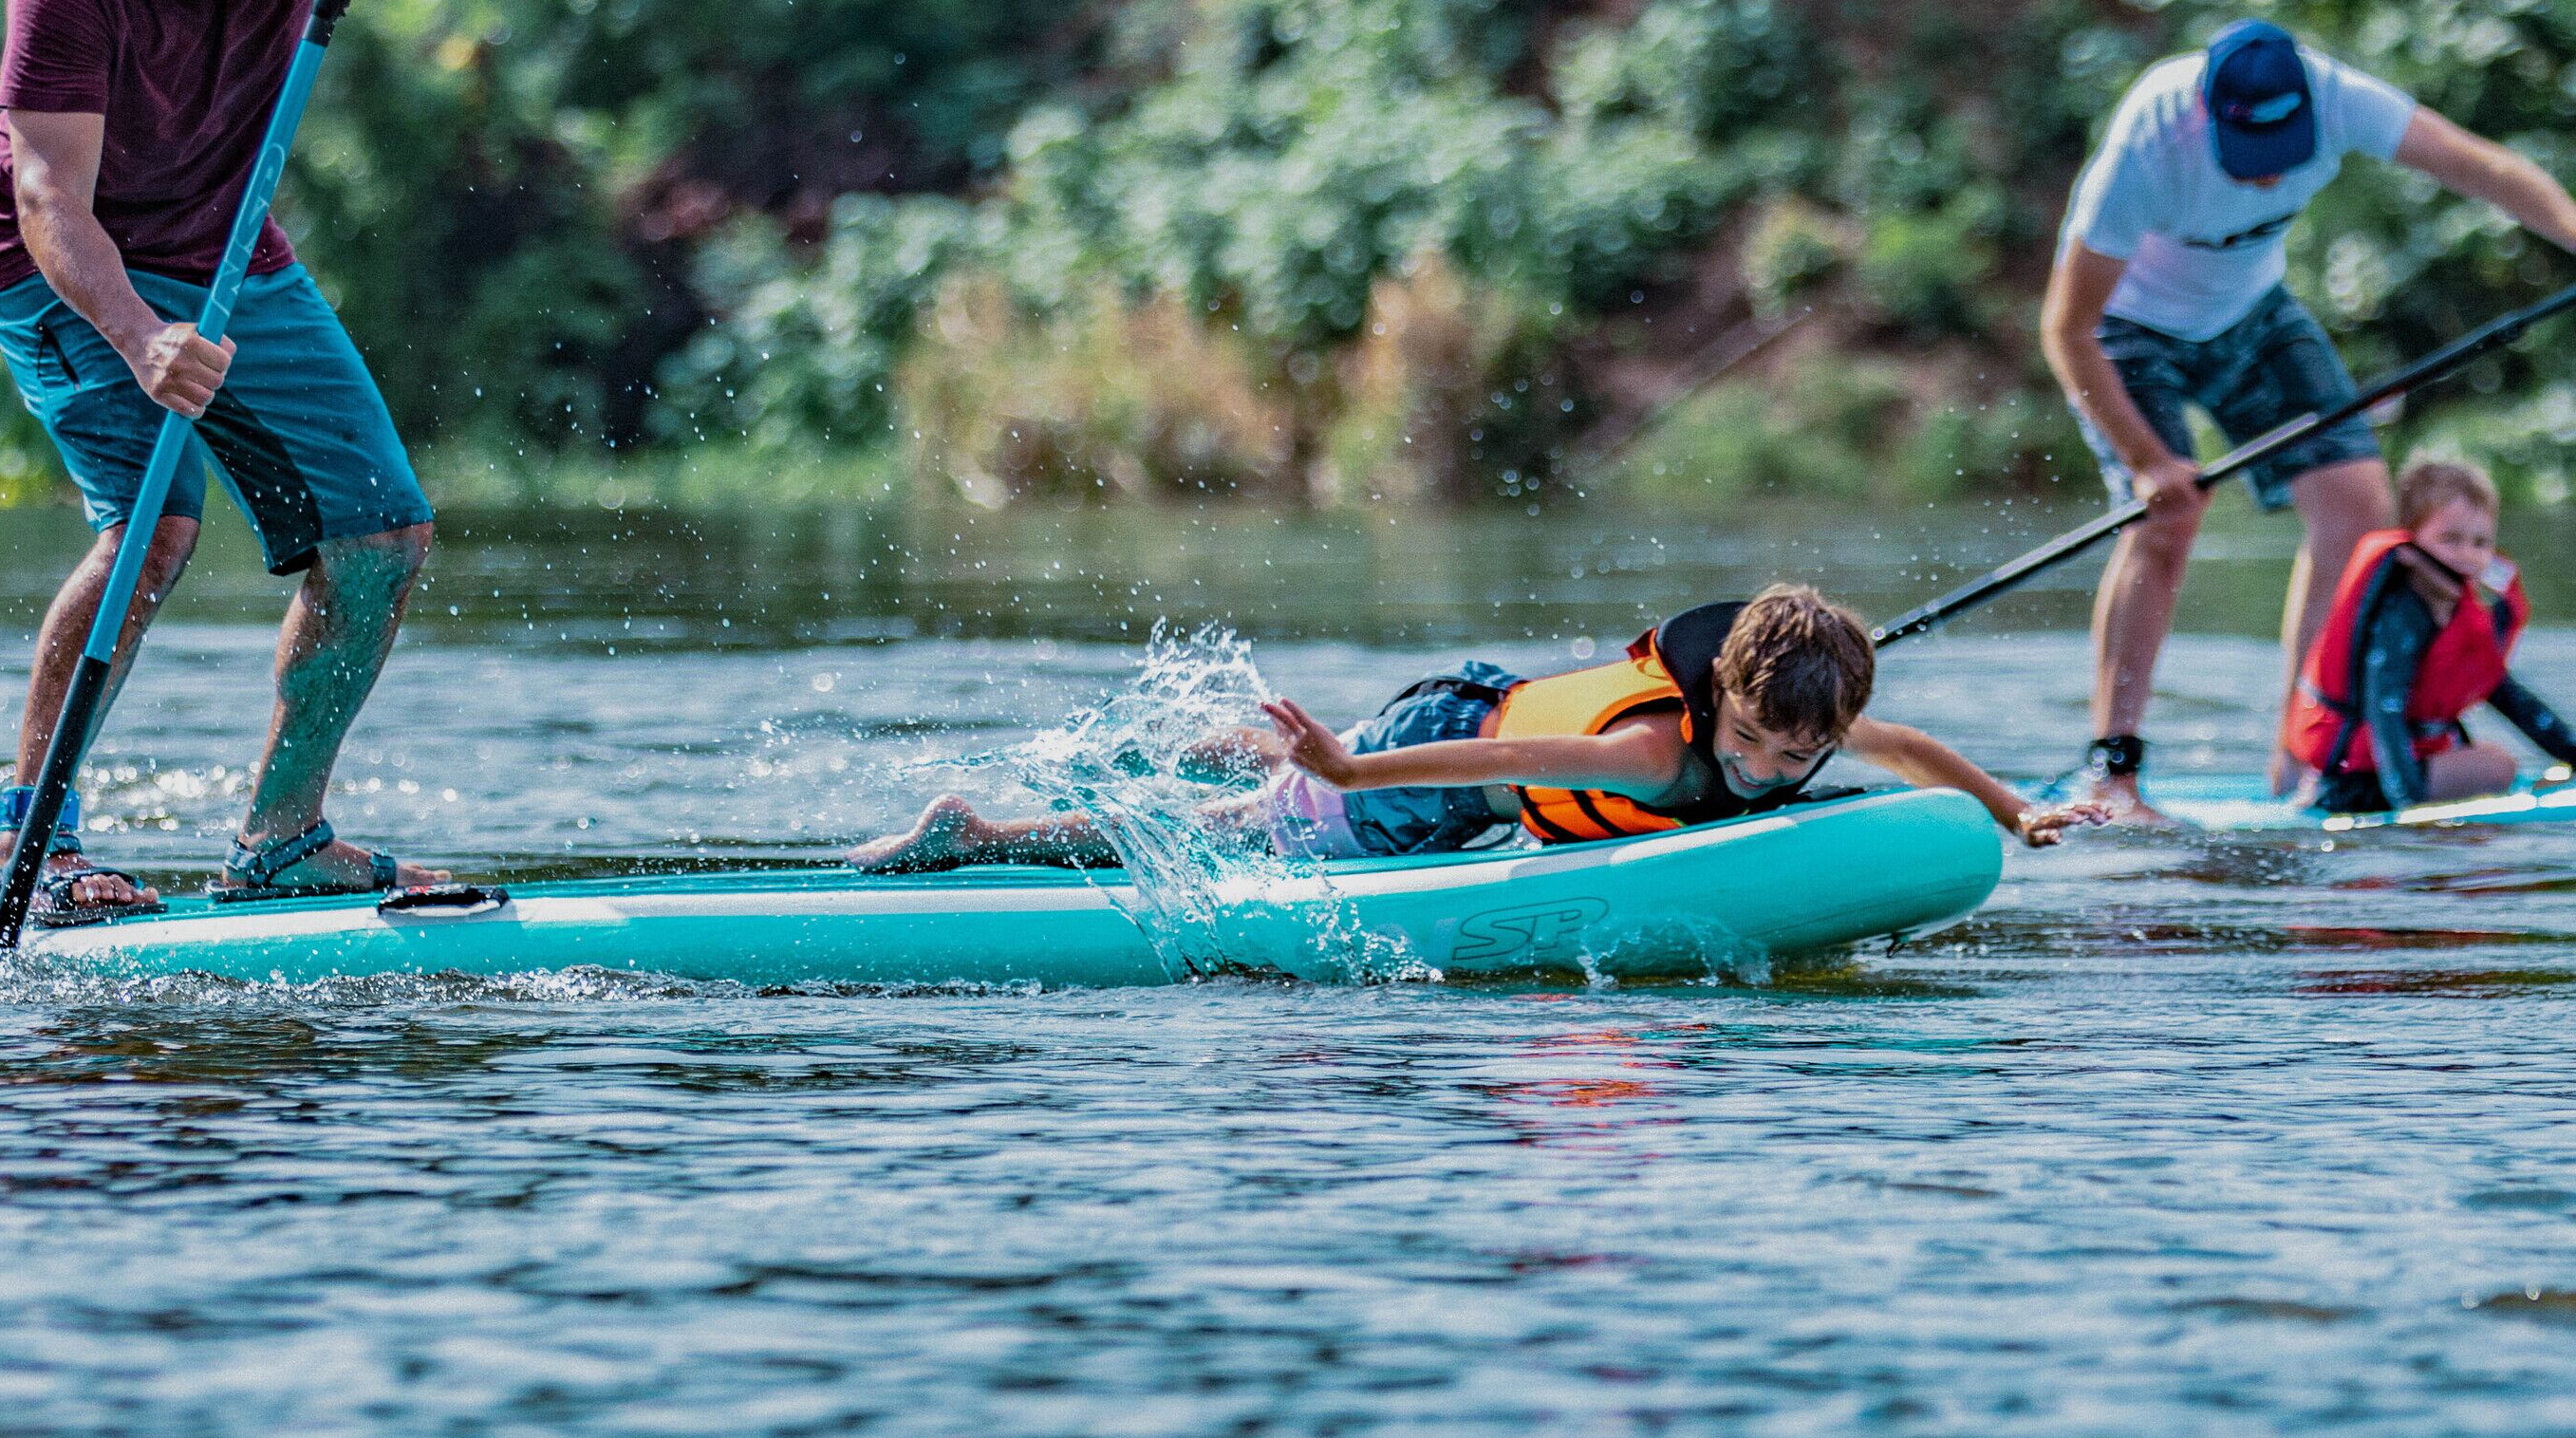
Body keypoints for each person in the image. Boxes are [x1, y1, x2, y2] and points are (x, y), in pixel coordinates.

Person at [0, 0, 501, 924]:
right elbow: (47, 195)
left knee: (383, 534)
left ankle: (281, 840)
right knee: (153, 529)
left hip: (232, 256)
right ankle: (34, 852)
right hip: (71, 270)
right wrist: (137, 337)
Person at [2042, 19, 2576, 818]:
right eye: (2247, 161)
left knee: (2359, 506)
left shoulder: (2341, 99)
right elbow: (2067, 329)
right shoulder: (2148, 144)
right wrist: (2148, 461)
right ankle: (2112, 771)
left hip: (2253, 312)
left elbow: (2487, 169)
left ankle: (2304, 754)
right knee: (2166, 525)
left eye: (2282, 157)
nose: (2264, 182)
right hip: (2127, 330)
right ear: (2203, 113)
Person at [850, 587, 2100, 873]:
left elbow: (1915, 750)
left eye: (1800, 759)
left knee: (1295, 762)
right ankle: (989, 829)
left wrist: (2019, 809)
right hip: (1432, 779)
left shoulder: (1812, 722)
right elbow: (1494, 761)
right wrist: (1350, 771)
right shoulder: (1652, 752)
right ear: (1718, 697)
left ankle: (1235, 738)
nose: (1779, 772)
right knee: (1237, 833)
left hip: (1457, 708)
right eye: (1763, 749)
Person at [2278, 456, 2576, 813]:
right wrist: (2410, 807)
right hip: (2355, 785)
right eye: (2451, 539)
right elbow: (2383, 713)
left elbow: (2512, 700)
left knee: (2491, 764)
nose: (2467, 555)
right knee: (2496, 766)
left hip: (2386, 776)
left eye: (2480, 543)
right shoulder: (2402, 614)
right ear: (2412, 537)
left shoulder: (2458, 615)